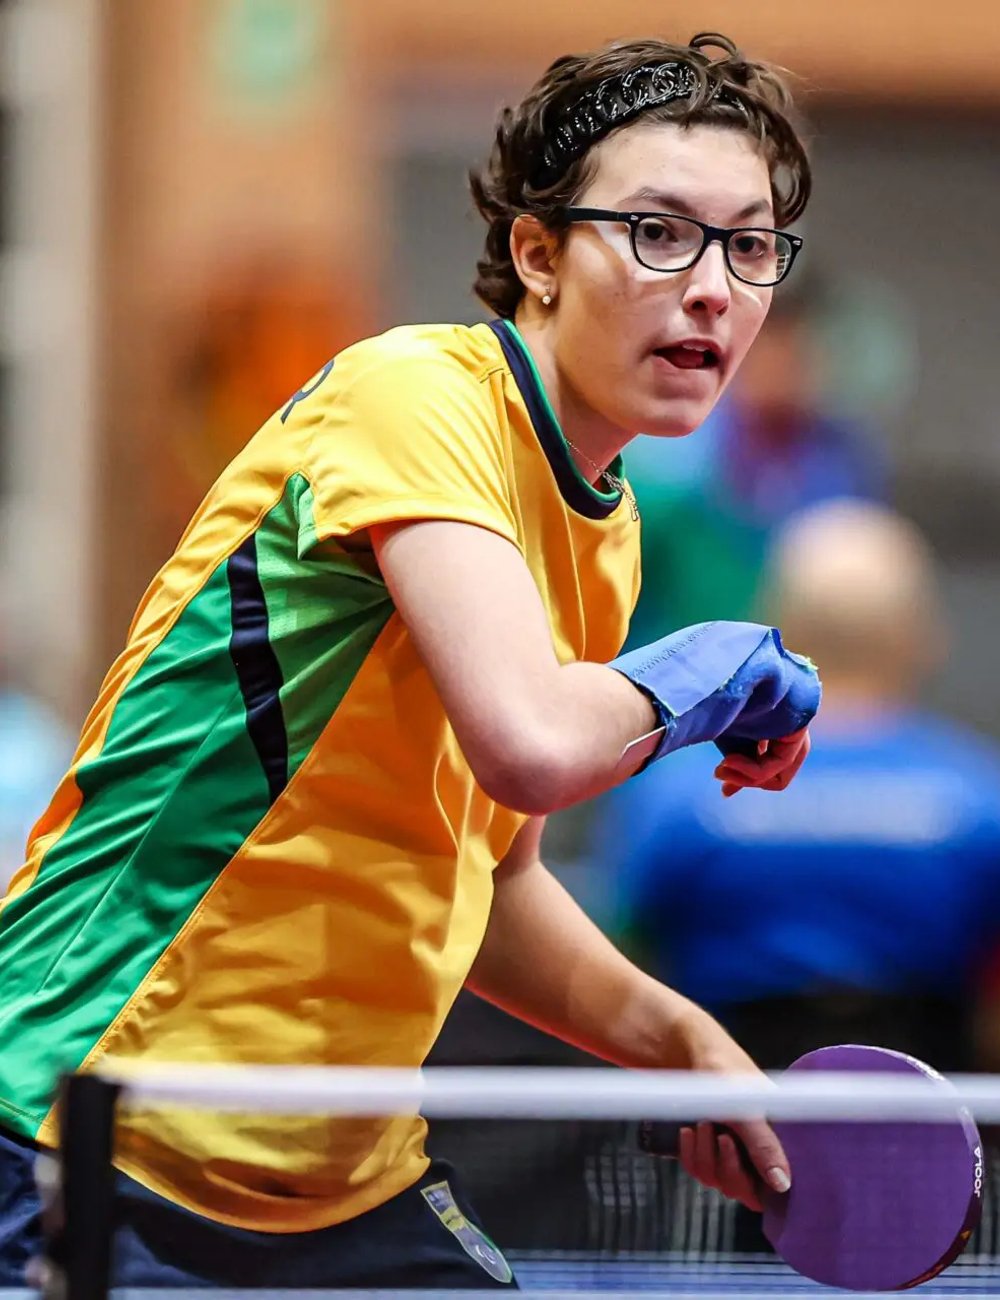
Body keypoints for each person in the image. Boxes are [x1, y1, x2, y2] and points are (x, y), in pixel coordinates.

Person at [0, 32, 819, 1292]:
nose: (711, 286)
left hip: (339, 1179)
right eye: (659, 231)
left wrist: (677, 1036)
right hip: (86, 1120)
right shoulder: (415, 395)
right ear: (537, 256)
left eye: (748, 244)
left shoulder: (603, 527)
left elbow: (486, 872)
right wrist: (717, 661)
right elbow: (535, 740)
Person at [600, 498, 1000, 1075]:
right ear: (923, 637)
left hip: (721, 1121)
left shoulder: (675, 794)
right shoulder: (980, 795)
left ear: (773, 626)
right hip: (935, 1120)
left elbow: (625, 955)